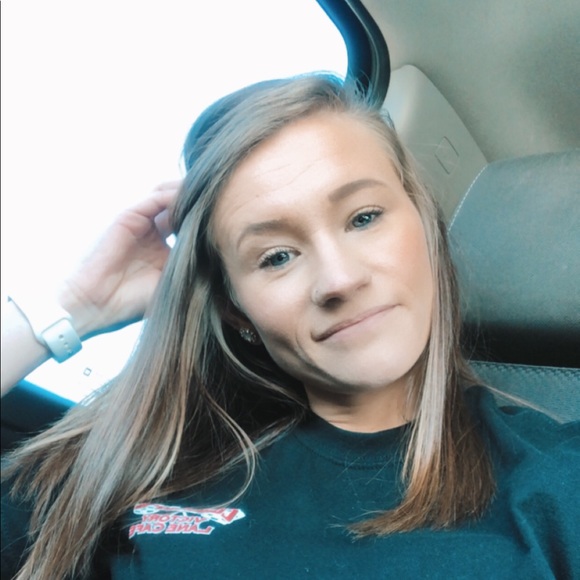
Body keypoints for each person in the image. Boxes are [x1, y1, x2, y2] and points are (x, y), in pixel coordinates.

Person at [1, 74, 578, 579]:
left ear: (424, 222)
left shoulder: (559, 477)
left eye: (364, 218)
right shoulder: (134, 462)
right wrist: (72, 306)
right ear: (236, 311)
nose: (339, 279)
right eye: (276, 257)